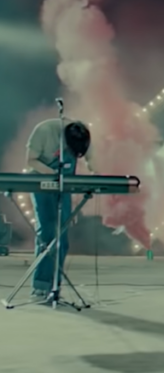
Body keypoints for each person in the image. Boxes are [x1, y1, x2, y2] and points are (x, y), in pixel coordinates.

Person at [25, 119, 94, 299]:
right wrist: (53, 174)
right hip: (41, 182)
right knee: (48, 232)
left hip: (65, 186)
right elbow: (31, 160)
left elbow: (93, 161)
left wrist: (97, 178)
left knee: (62, 237)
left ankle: (55, 285)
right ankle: (41, 285)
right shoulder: (44, 131)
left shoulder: (83, 135)